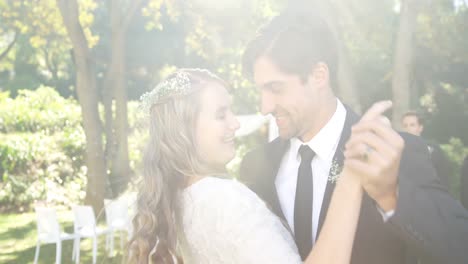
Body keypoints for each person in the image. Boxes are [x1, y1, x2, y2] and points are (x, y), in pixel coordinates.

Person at [240, 12, 468, 264]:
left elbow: (460, 248)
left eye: (276, 88)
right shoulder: (255, 167)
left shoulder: (397, 151)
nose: (264, 106)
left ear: (318, 76)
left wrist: (391, 195)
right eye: (260, 90)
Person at [126, 68, 404, 264]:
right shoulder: (225, 200)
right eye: (221, 114)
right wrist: (351, 176)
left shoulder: (172, 201)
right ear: (184, 130)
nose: (235, 123)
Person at [401, 111, 451, 188]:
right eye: (405, 126)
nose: (408, 128)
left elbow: (443, 176)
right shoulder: (397, 150)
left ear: (420, 128)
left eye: (412, 125)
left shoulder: (433, 149)